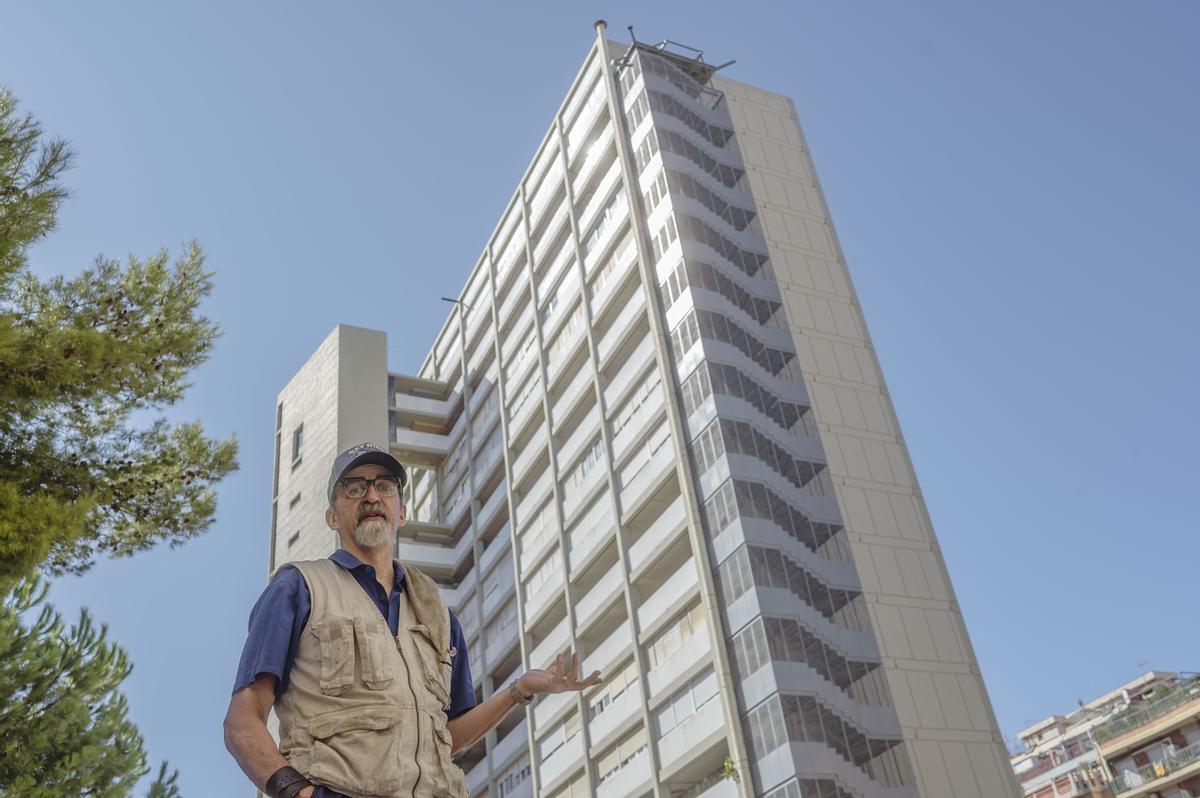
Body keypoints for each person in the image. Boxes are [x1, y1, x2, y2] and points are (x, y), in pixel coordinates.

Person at [224, 442, 603, 798]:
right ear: (332, 516)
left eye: (384, 486)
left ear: (402, 511)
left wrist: (518, 690)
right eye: (355, 488)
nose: (372, 496)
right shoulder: (299, 587)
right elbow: (242, 722)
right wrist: (299, 793)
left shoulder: (437, 614)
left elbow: (447, 737)